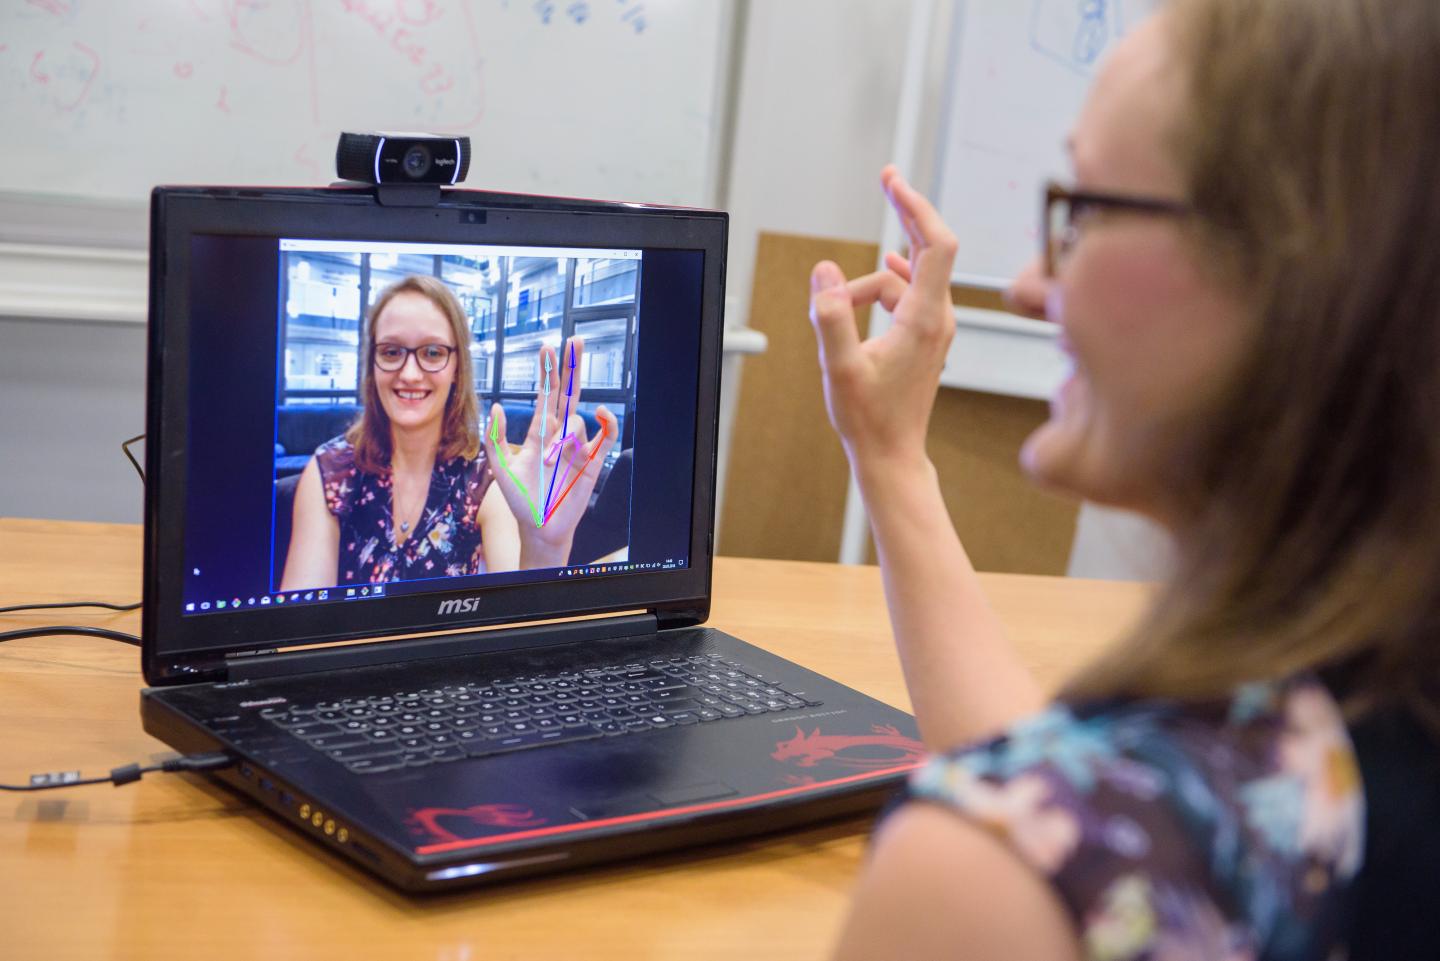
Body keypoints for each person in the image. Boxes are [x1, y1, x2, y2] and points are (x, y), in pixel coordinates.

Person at [808, 1, 1440, 958]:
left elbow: (1069, 837)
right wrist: (891, 458)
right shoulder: (1357, 732)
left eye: (1087, 209)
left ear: (1298, 276)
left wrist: (979, 847)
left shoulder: (978, 882)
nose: (1027, 283)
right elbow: (1114, 811)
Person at [281, 274, 615, 589]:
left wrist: (544, 548)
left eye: (432, 352)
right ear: (372, 364)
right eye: (392, 352)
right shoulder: (329, 472)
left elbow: (516, 626)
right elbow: (299, 634)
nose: (410, 373)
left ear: (457, 367)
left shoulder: (484, 478)